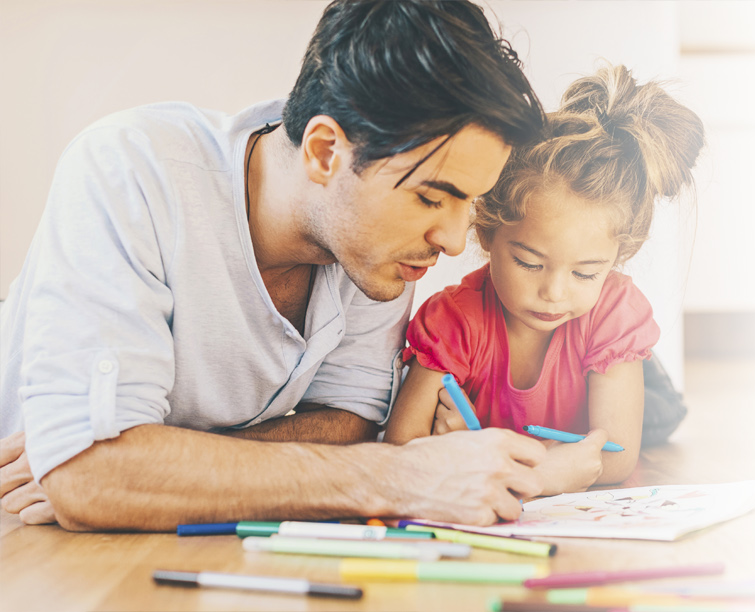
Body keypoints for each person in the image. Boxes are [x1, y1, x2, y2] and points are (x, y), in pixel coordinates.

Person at [0, 0, 552, 531]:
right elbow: (92, 478)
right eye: (432, 198)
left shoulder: (372, 248)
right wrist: (403, 477)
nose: (453, 241)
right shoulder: (131, 172)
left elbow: (348, 422)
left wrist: (155, 468)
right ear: (324, 153)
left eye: (469, 203)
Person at [384, 66, 704, 496]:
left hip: (620, 375)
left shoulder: (613, 311)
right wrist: (523, 460)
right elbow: (401, 449)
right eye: (529, 263)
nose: (553, 293)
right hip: (570, 392)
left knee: (660, 417)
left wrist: (498, 462)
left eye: (585, 272)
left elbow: (617, 453)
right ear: (486, 232)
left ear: (616, 260)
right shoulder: (453, 320)